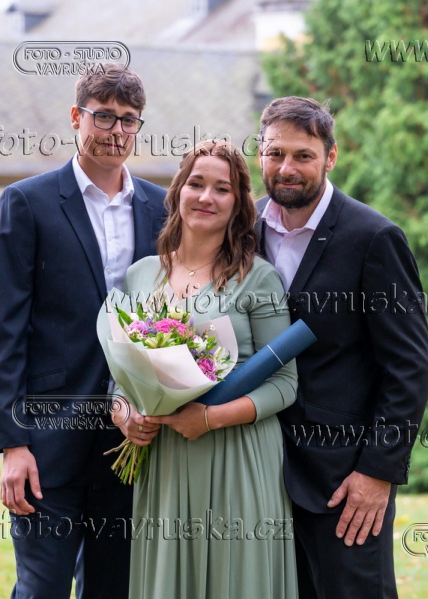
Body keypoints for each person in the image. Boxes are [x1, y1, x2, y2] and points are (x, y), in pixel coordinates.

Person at [0, 64, 167, 599]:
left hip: (130, 444)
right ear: (75, 117)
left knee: (115, 590)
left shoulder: (160, 208)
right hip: (46, 441)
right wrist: (12, 443)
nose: (116, 131)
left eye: (128, 120)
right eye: (103, 116)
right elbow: (0, 331)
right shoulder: (27, 203)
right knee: (42, 589)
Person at [254, 96, 428, 599]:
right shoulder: (242, 229)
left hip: (343, 483)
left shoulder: (374, 237)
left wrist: (377, 471)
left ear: (330, 157)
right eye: (275, 153)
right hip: (258, 477)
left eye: (303, 155)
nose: (287, 168)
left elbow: (409, 367)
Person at [111, 140, 300, 599]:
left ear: (238, 205)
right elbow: (121, 374)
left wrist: (211, 418)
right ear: (178, 191)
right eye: (196, 184)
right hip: (164, 458)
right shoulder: (140, 274)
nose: (206, 197)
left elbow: (285, 383)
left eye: (222, 189)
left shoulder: (259, 278)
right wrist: (124, 414)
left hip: (239, 454)